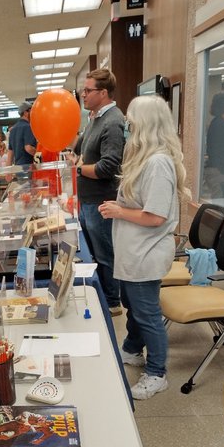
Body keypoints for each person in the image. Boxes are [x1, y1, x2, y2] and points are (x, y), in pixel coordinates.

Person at [99, 96, 190, 400]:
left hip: (146, 253)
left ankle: (157, 373)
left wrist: (119, 212)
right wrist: (119, 206)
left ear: (146, 124)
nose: (126, 126)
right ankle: (132, 349)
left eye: (131, 121)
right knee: (133, 305)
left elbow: (156, 216)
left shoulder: (158, 163)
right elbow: (141, 203)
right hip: (133, 251)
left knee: (147, 312)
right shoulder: (144, 158)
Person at [74, 68, 125, 316]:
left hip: (101, 201)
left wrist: (80, 169)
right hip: (87, 201)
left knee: (105, 254)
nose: (83, 95)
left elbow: (108, 166)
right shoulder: (95, 118)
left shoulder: (114, 121)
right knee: (92, 252)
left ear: (103, 92)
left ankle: (112, 302)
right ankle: (101, 295)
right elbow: (80, 148)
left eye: (88, 90)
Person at [7, 101, 37, 166]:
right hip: (29, 167)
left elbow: (10, 153)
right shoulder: (28, 127)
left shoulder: (13, 129)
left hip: (18, 168)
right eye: (31, 111)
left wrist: (8, 173)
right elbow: (28, 148)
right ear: (26, 112)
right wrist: (39, 154)